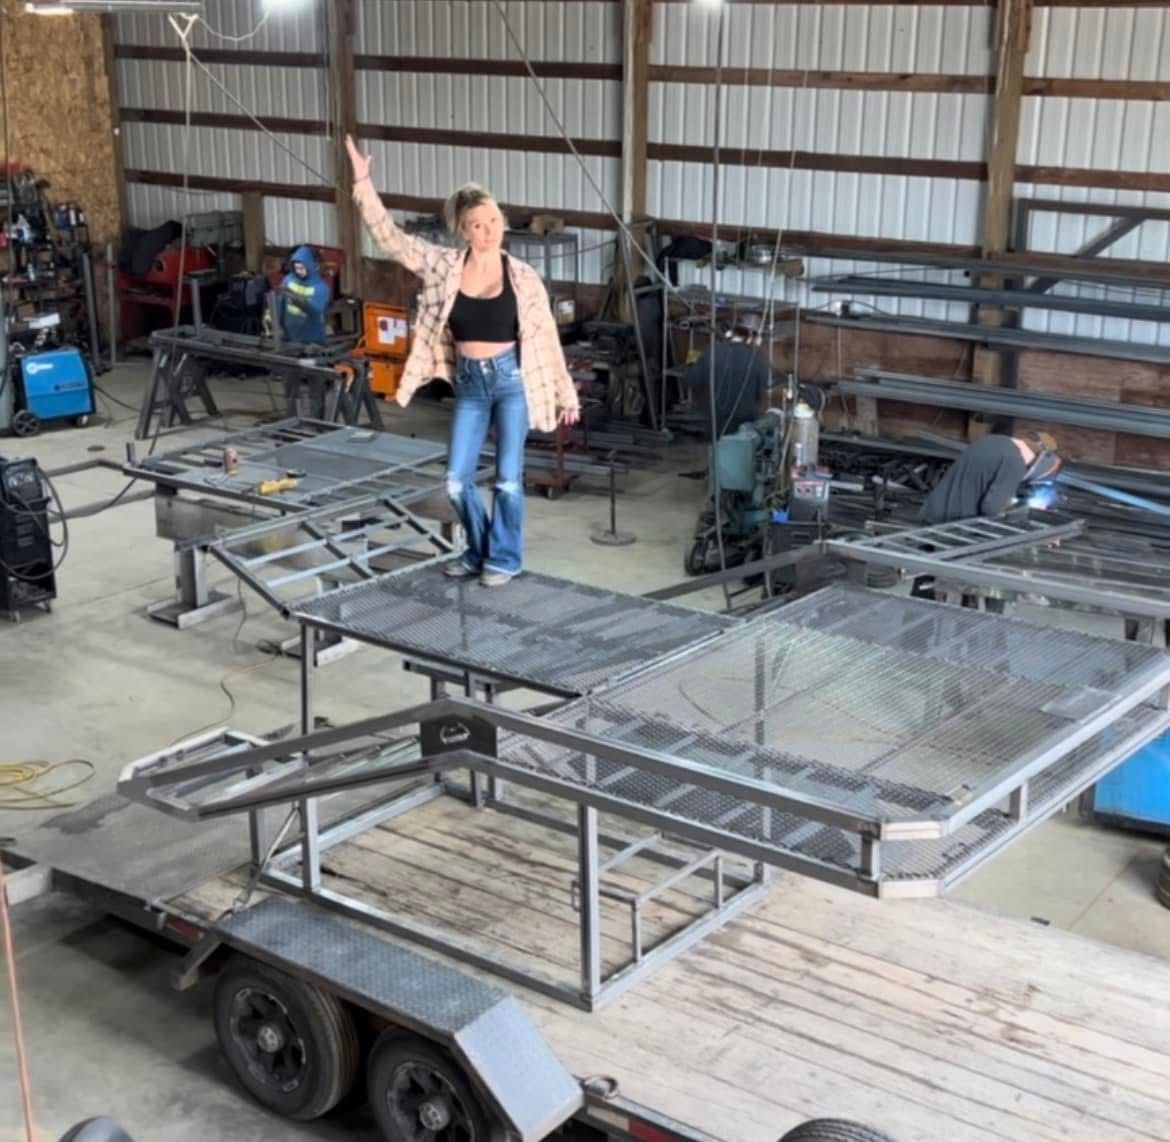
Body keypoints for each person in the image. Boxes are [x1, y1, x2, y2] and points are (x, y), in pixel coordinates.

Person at [345, 135, 580, 587]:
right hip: (471, 385)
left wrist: (565, 393)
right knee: (456, 480)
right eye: (477, 224)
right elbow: (390, 239)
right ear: (463, 230)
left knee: (509, 480)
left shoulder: (525, 278)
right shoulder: (444, 266)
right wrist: (363, 183)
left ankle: (505, 559)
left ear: (502, 222)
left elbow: (547, 339)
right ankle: (479, 550)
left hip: (512, 382)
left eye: (493, 220)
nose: (488, 230)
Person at [919, 430, 1060, 526]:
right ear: (1042, 457)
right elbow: (991, 509)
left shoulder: (992, 440)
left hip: (931, 511)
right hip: (953, 526)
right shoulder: (1015, 462)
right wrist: (1017, 511)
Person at [682, 320, 771, 441]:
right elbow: (762, 392)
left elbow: (692, 380)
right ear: (751, 336)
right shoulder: (757, 357)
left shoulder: (712, 351)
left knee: (717, 456)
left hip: (715, 423)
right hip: (744, 427)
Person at [276, 245, 331, 345]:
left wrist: (297, 300)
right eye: (296, 268)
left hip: (311, 339)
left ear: (310, 265)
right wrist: (278, 325)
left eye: (302, 268)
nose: (298, 271)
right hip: (290, 335)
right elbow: (281, 304)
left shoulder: (320, 287)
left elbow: (316, 311)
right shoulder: (288, 280)